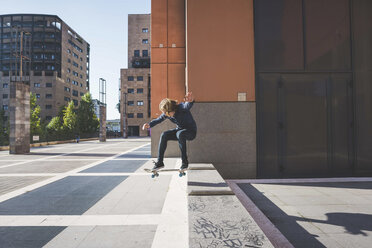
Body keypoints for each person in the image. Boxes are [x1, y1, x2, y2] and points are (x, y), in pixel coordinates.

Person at [142, 92, 197, 171]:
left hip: (190, 132)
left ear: (172, 109)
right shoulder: (167, 114)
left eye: (166, 112)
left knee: (180, 134)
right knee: (164, 135)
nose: (165, 115)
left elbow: (187, 105)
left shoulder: (181, 107)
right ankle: (160, 162)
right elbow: (158, 120)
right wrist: (149, 125)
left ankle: (184, 163)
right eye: (164, 113)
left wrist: (191, 101)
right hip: (180, 131)